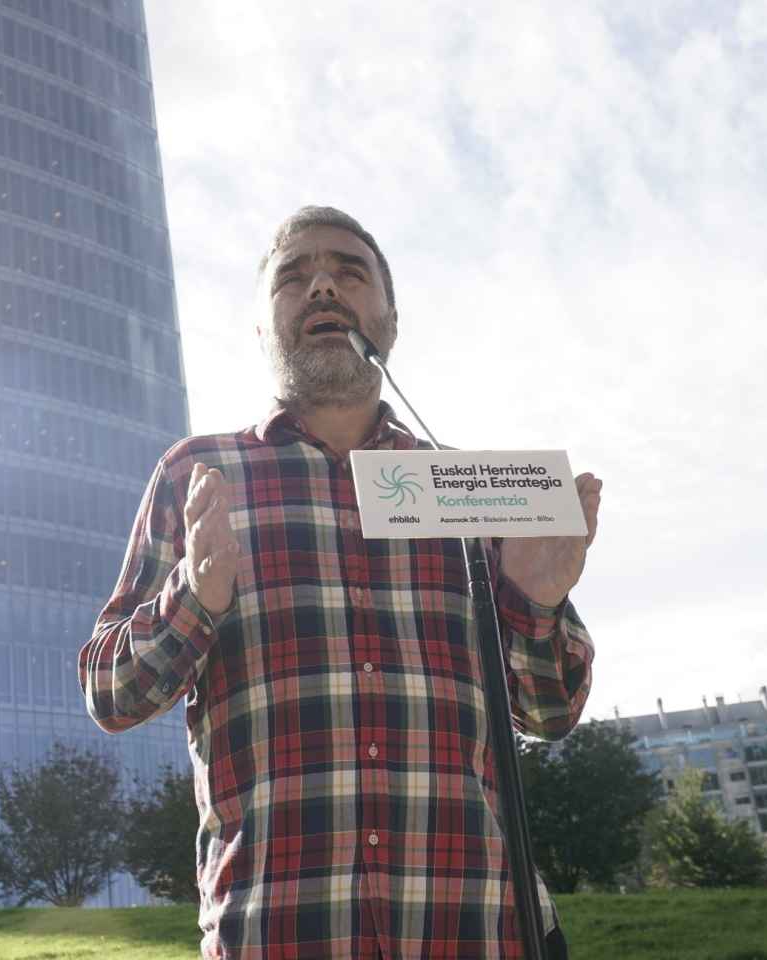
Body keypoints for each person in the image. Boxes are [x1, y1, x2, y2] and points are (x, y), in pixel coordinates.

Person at [79, 206, 602, 959]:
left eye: (349, 271)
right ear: (263, 329)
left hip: (477, 930)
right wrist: (195, 597)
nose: (322, 284)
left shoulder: (465, 486)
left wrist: (536, 605)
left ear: (388, 321)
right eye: (293, 276)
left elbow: (552, 713)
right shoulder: (199, 475)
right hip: (279, 934)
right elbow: (110, 693)